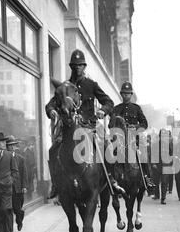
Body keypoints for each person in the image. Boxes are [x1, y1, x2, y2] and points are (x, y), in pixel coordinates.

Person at [46, 49, 125, 199]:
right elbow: (50, 105)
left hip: (89, 127)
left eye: (80, 65)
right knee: (52, 150)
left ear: (84, 66)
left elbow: (109, 102)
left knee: (107, 144)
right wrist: (52, 111)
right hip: (69, 129)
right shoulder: (65, 87)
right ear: (71, 67)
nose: (77, 68)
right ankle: (56, 184)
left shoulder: (91, 85)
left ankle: (111, 179)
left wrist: (103, 110)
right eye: (75, 65)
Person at [111, 82, 156, 191]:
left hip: (133, 140)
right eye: (124, 93)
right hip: (119, 140)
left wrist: (135, 127)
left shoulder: (136, 108)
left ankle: (148, 179)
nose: (126, 95)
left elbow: (144, 124)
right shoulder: (116, 109)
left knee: (143, 157)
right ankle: (110, 180)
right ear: (121, 94)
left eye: (128, 93)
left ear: (131, 95)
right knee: (108, 155)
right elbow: (111, 125)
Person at [6, 136, 28, 232]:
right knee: (8, 209)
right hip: (7, 187)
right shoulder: (4, 158)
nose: (11, 147)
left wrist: (24, 186)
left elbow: (24, 173)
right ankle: (9, 229)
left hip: (18, 188)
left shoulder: (20, 159)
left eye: (13, 145)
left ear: (15, 146)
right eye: (9, 146)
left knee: (17, 209)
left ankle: (19, 218)